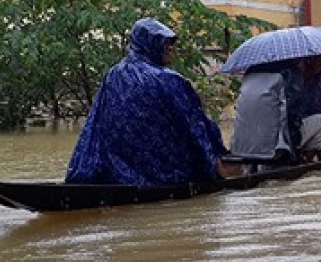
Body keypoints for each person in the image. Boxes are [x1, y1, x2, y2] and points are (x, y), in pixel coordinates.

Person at [65, 18, 233, 186]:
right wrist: (213, 160)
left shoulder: (114, 74)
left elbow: (94, 124)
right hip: (166, 173)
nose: (170, 48)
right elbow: (196, 126)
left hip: (116, 172)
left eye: (170, 42)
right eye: (164, 42)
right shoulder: (169, 79)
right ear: (149, 44)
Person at [230, 59, 321, 165]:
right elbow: (293, 116)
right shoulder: (291, 73)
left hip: (241, 146)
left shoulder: (250, 72)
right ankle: (304, 162)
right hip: (275, 146)